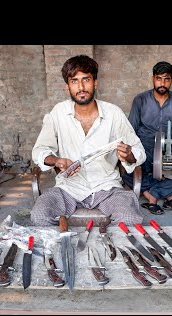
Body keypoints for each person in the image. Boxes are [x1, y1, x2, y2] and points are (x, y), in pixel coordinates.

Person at [31, 55, 146, 226]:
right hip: (68, 188)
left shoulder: (113, 113)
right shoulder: (58, 113)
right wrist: (56, 160)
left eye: (86, 79)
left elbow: (139, 152)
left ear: (95, 83)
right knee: (39, 215)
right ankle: (63, 251)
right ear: (67, 86)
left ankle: (109, 251)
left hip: (107, 188)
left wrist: (128, 155)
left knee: (129, 218)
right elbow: (39, 151)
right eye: (74, 81)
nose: (81, 87)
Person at [122, 61, 172, 215]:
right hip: (145, 147)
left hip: (170, 149)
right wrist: (132, 151)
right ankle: (166, 193)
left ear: (171, 80)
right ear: (153, 79)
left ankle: (152, 194)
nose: (162, 83)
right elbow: (131, 129)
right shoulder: (140, 100)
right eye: (159, 79)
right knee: (125, 170)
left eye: (166, 79)